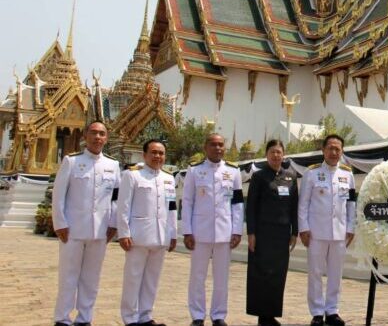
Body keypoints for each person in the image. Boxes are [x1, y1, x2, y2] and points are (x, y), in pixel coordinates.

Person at [51, 121, 120, 326]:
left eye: (102, 134)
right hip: (72, 229)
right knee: (68, 277)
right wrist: (60, 223)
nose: (98, 137)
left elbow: (116, 198)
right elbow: (58, 195)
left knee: (91, 279)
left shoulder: (113, 165)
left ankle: (84, 318)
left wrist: (113, 223)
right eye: (94, 133)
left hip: (100, 230)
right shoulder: (72, 162)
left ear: (106, 138)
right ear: (85, 136)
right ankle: (62, 318)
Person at [182, 133, 244, 326]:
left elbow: (238, 203)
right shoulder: (194, 171)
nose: (217, 148)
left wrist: (237, 230)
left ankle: (218, 315)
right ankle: (198, 315)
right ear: (205, 147)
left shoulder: (233, 172)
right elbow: (188, 202)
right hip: (200, 232)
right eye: (213, 144)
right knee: (197, 276)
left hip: (224, 232)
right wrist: (187, 231)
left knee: (221, 277)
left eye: (220, 145)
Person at [117, 139, 177, 326]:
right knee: (133, 278)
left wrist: (173, 234)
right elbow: (123, 207)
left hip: (160, 236)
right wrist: (123, 233)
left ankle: (145, 316)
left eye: (161, 153)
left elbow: (172, 208)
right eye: (154, 152)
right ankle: (130, 318)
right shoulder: (132, 175)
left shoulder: (169, 178)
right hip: (138, 236)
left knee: (152, 280)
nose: (158, 156)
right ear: (144, 155)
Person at [298, 134, 355, 326]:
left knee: (335, 273)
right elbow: (303, 203)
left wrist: (351, 227)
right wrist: (303, 228)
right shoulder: (311, 173)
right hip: (316, 232)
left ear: (342, 152)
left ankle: (332, 310)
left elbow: (351, 204)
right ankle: (316, 312)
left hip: (339, 232)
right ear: (323, 150)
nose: (333, 152)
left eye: (337, 149)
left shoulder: (347, 174)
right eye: (330, 148)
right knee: (315, 272)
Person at [246, 139, 299, 326]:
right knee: (260, 274)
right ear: (267, 155)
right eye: (272, 152)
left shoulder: (290, 177)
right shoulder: (259, 177)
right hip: (262, 234)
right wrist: (251, 233)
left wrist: (295, 232)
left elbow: (294, 207)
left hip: (282, 234)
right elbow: (250, 206)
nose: (276, 155)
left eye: (279, 152)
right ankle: (262, 315)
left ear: (283, 154)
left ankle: (272, 314)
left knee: (277, 275)